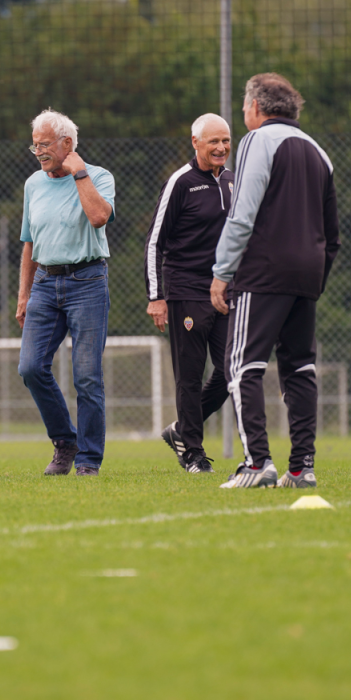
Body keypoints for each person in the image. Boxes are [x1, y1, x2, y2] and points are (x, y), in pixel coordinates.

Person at [210, 74, 340, 489]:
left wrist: (222, 272)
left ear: (255, 107)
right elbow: (332, 234)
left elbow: (242, 213)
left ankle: (256, 464)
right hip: (307, 274)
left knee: (240, 363)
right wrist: (316, 274)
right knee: (300, 367)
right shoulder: (320, 153)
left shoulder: (257, 142)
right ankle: (302, 469)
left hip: (264, 271)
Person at [15, 109, 116, 476]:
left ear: (67, 144)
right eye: (35, 146)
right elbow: (28, 242)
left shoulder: (99, 177)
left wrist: (79, 173)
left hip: (87, 281)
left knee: (87, 375)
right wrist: (24, 294)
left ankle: (89, 460)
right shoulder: (33, 184)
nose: (38, 152)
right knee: (29, 368)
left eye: (44, 145)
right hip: (44, 283)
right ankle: (65, 441)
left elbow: (98, 217)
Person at [144, 113, 235, 474]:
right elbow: (154, 242)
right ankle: (192, 453)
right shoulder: (180, 183)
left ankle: (182, 429)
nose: (221, 147)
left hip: (227, 294)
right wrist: (157, 296)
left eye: (226, 140)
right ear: (195, 142)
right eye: (213, 141)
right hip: (186, 291)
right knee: (189, 376)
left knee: (233, 371)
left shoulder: (233, 181)